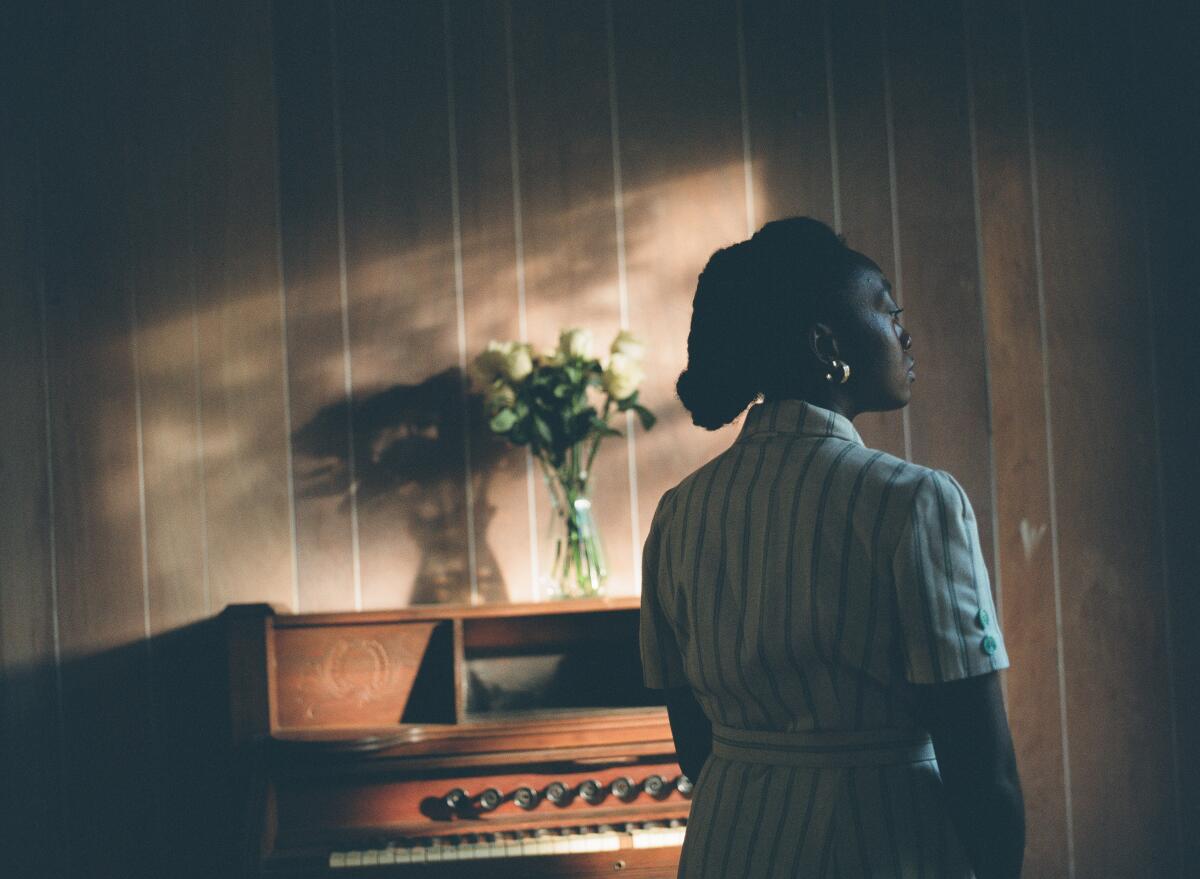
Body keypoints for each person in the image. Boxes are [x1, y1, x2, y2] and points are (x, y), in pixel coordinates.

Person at [639, 217, 1024, 878]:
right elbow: (982, 772)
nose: (905, 332)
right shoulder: (914, 501)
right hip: (882, 846)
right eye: (887, 309)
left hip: (726, 846)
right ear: (828, 347)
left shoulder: (680, 511)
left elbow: (692, 738)